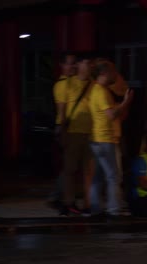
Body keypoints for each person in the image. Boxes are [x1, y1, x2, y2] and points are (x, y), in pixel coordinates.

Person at [88, 59, 134, 217]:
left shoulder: (99, 90)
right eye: (112, 72)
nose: (115, 75)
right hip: (104, 139)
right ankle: (114, 209)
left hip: (100, 139)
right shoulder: (100, 92)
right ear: (103, 74)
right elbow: (111, 115)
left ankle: (96, 207)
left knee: (99, 176)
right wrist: (126, 102)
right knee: (113, 175)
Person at [56, 53, 94, 216]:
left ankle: (87, 203)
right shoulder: (66, 84)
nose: (89, 68)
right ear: (79, 65)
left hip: (91, 133)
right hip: (73, 132)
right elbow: (62, 112)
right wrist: (62, 131)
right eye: (86, 64)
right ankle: (68, 203)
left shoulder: (93, 84)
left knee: (88, 171)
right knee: (70, 170)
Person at [48, 51, 77, 210]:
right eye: (69, 63)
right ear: (62, 65)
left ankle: (59, 195)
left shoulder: (75, 82)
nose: (73, 66)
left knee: (71, 166)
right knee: (68, 166)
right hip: (66, 127)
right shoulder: (61, 85)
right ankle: (58, 196)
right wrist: (64, 130)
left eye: (74, 63)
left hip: (74, 128)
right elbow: (62, 111)